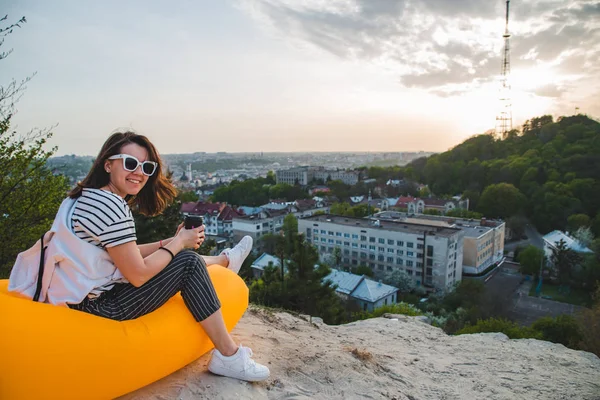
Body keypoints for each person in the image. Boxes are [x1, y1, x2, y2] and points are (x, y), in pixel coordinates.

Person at [16, 131, 269, 382]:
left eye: (147, 167)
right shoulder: (111, 207)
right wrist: (180, 243)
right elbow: (137, 274)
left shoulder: (82, 198)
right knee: (188, 263)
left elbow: (123, 254)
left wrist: (170, 241)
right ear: (108, 164)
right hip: (97, 307)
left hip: (77, 298)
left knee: (180, 256)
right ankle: (228, 355)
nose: (139, 172)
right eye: (130, 163)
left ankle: (224, 261)